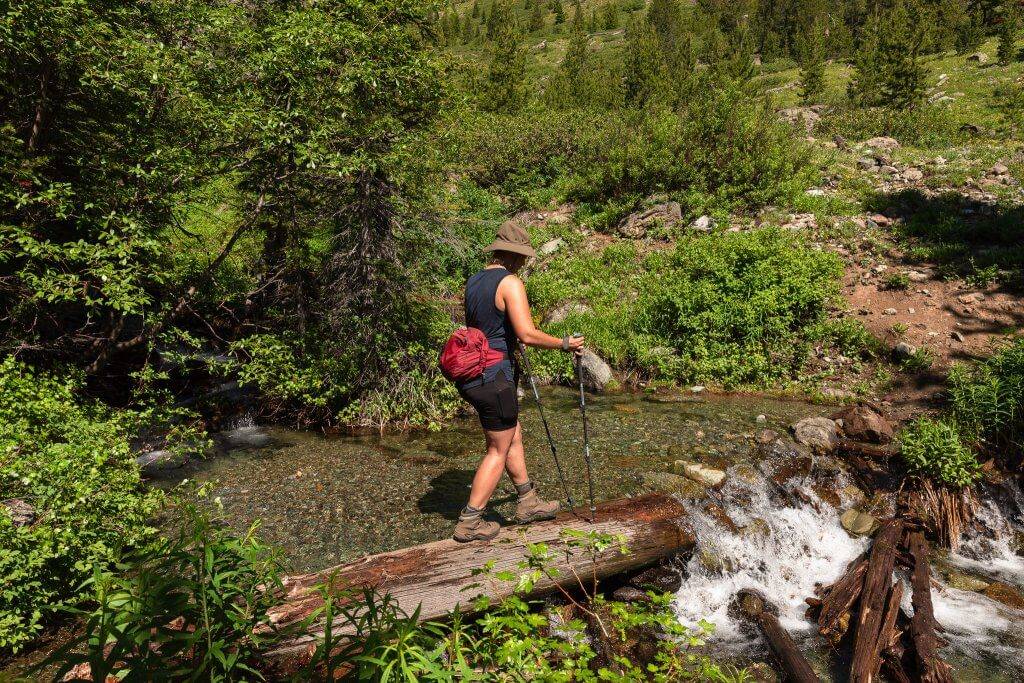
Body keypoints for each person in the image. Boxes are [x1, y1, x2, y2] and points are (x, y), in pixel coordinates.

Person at [453, 220, 585, 542]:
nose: (524, 263)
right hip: (495, 376)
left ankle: (527, 502)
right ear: (514, 256)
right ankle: (469, 521)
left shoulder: (473, 282)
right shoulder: (510, 283)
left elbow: (486, 328)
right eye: (523, 258)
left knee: (513, 437)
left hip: (476, 373)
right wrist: (565, 343)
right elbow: (525, 333)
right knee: (497, 449)